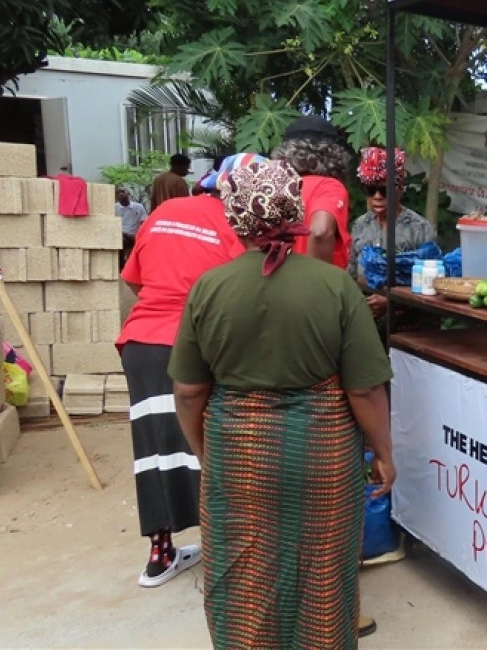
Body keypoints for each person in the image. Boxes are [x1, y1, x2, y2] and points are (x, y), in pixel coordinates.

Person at [169, 158, 394, 650]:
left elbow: (188, 391)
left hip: (238, 454)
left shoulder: (209, 287)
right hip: (323, 453)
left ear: (235, 216)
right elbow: (365, 389)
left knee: (241, 569)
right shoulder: (335, 286)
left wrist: (206, 452)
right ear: (294, 209)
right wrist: (383, 452)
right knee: (323, 569)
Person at [116, 174, 245, 588]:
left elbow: (133, 277)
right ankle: (226, 551)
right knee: (210, 445)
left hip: (141, 344)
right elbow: (241, 289)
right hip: (196, 342)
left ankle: (160, 555)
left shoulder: (162, 214)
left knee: (153, 447)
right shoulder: (234, 222)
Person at [350, 145, 437, 320]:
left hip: (406, 320)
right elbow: (350, 273)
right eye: (370, 190)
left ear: (400, 190)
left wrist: (392, 300)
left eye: (384, 190)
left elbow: (431, 282)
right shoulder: (361, 225)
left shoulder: (419, 228)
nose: (377, 196)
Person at [272, 116, 352, 269]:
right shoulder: (328, 186)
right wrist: (315, 279)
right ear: (334, 154)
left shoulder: (274, 188)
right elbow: (320, 232)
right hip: (307, 279)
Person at [114, 188, 147, 268]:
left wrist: (138, 235)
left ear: (128, 193)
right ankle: (121, 268)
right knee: (120, 241)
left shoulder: (138, 207)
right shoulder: (114, 208)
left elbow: (143, 223)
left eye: (123, 192)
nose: (121, 194)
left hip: (135, 235)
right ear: (116, 197)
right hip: (121, 235)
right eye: (118, 193)